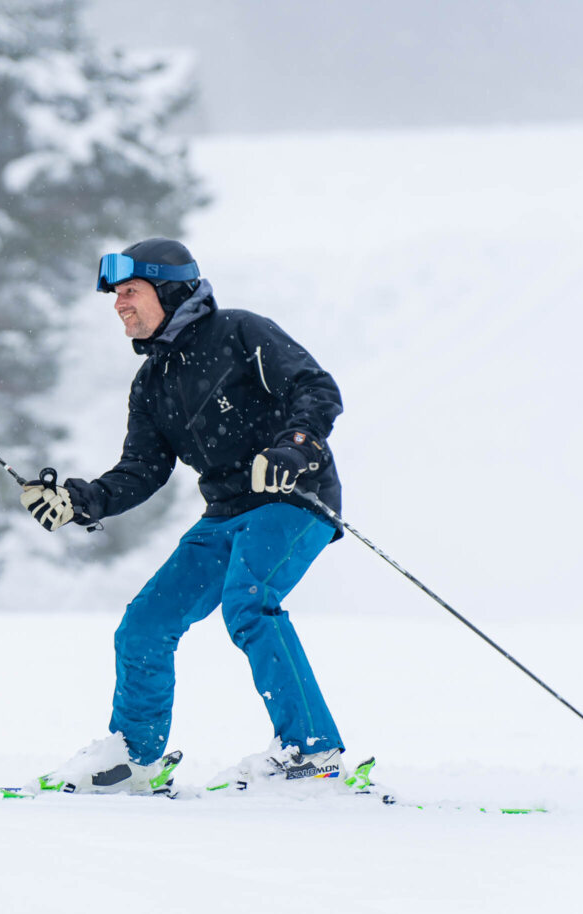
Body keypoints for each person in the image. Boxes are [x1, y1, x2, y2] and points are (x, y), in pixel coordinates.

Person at [25, 237, 349, 795]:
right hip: (224, 514)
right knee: (146, 624)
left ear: (170, 291)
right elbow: (141, 470)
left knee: (250, 605)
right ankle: (134, 757)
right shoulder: (151, 382)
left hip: (293, 499)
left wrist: (295, 448)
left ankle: (312, 755)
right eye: (116, 295)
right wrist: (81, 500)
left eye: (130, 291)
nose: (119, 304)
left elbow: (316, 388)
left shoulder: (241, 333)